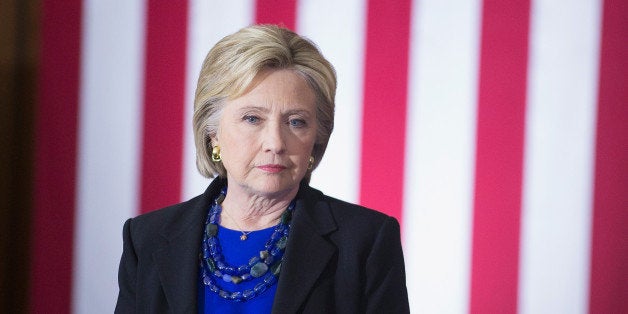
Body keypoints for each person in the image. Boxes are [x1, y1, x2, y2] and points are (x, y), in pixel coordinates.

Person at [115, 24, 409, 313]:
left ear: (316, 138)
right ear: (213, 132)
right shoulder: (147, 238)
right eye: (253, 119)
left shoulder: (365, 241)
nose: (276, 143)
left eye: (296, 122)